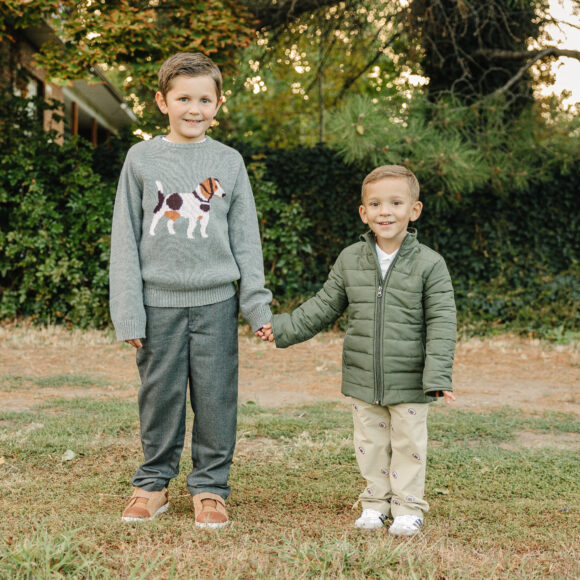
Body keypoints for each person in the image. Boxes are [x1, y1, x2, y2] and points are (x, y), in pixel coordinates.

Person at [109, 52, 272, 527]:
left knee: (216, 396)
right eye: (183, 98)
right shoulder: (141, 159)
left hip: (216, 303)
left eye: (204, 99)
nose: (193, 108)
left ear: (218, 104)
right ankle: (153, 483)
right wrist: (128, 311)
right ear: (162, 101)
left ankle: (210, 488)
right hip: (156, 304)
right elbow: (125, 239)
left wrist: (256, 305)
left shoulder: (228, 161)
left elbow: (246, 238)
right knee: (159, 396)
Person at [257, 165, 456, 536]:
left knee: (409, 443)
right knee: (370, 443)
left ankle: (409, 507)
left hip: (411, 377)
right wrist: (282, 328)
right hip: (363, 375)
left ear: (414, 210)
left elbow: (443, 323)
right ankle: (375, 504)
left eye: (396, 202)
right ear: (363, 212)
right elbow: (323, 305)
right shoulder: (351, 259)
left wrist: (438, 376)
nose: (386, 211)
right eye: (376, 204)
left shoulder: (430, 264)